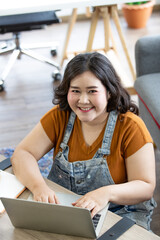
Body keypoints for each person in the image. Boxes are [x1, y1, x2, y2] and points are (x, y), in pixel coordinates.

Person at [11, 52, 156, 230]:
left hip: (121, 210)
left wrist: (106, 193)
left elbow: (145, 186)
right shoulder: (60, 116)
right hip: (68, 207)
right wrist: (38, 187)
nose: (83, 100)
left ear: (109, 92)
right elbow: (22, 154)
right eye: (75, 91)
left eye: (92, 91)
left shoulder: (131, 127)